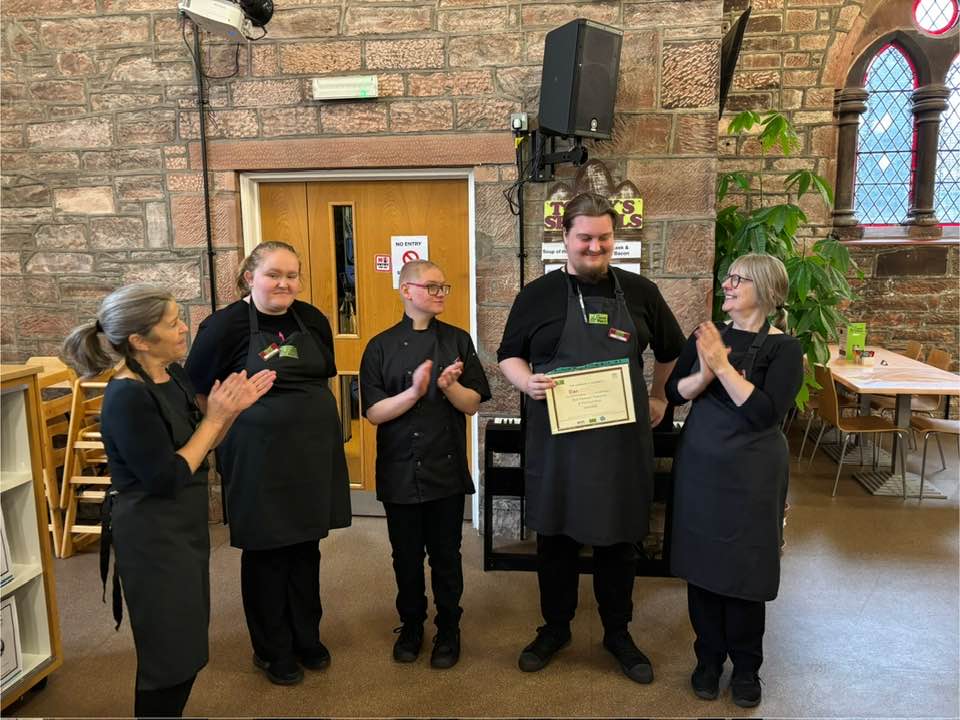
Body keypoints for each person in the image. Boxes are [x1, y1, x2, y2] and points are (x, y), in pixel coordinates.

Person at [62, 284, 275, 718]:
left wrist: (230, 411)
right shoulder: (126, 396)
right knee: (168, 657)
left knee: (187, 643)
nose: (184, 327)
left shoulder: (174, 375)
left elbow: (201, 448)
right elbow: (167, 476)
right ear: (140, 340)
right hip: (151, 536)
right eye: (173, 322)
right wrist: (216, 417)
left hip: (183, 528)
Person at [497, 192, 685, 683]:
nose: (595, 246)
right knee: (555, 542)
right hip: (557, 444)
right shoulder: (535, 295)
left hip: (620, 445)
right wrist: (525, 381)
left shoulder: (641, 293)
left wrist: (660, 396)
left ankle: (617, 633)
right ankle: (555, 628)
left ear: (613, 238)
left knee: (619, 542)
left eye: (604, 237)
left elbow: (671, 351)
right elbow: (508, 355)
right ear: (565, 238)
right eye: (585, 237)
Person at [185, 241, 352, 686]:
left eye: (292, 275)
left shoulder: (312, 319)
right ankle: (272, 648)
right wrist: (217, 434)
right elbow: (200, 392)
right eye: (274, 274)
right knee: (266, 550)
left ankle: (306, 638)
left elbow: (322, 377)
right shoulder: (223, 326)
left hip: (311, 451)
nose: (284, 284)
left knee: (305, 546)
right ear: (249, 277)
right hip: (255, 453)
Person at [665, 253, 803, 708]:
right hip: (702, 469)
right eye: (728, 277)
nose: (726, 285)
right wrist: (704, 371)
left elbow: (765, 412)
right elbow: (673, 394)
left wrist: (721, 368)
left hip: (752, 474)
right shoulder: (706, 337)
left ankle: (746, 669)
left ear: (762, 289)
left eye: (736, 279)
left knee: (745, 570)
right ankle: (707, 659)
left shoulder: (786, 349)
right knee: (703, 566)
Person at [360, 260, 491, 669]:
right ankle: (413, 625)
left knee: (447, 555)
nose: (439, 293)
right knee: (406, 556)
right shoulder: (379, 346)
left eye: (444, 287)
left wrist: (450, 387)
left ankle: (449, 629)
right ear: (406, 290)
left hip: (445, 466)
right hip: (399, 468)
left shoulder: (457, 340)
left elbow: (473, 405)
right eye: (431, 286)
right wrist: (415, 392)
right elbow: (374, 412)